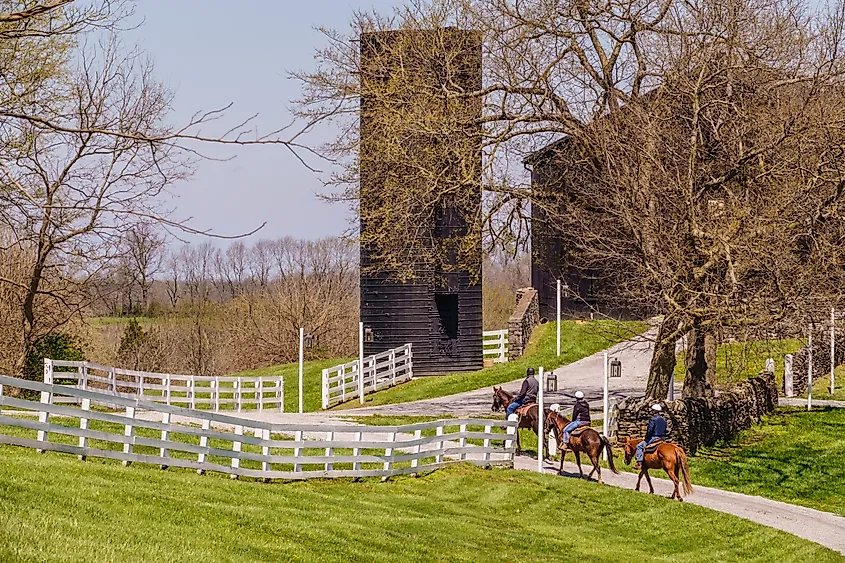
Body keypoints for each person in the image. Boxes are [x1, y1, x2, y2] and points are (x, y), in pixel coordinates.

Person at [635, 403, 668, 468]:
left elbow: (650, 430)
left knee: (639, 446)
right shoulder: (664, 419)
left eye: (652, 410)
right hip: (662, 438)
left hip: (654, 437)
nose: (651, 411)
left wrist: (646, 437)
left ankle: (639, 463)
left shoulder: (653, 419)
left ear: (654, 411)